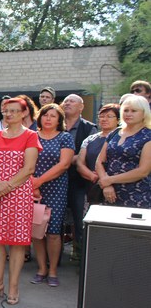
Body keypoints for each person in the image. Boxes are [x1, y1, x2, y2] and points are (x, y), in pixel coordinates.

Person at [0, 97, 41, 305]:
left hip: (18, 196)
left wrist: (4, 189)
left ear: (24, 113)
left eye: (14, 111)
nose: (9, 114)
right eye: (6, 111)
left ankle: (13, 287)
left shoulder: (31, 136)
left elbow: (29, 169)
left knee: (17, 244)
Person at [30, 104, 74, 287]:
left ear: (59, 120)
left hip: (56, 189)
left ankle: (53, 270)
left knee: (54, 232)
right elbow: (24, 162)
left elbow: (64, 164)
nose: (48, 118)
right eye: (45, 115)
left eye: (53, 116)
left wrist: (39, 181)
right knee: (37, 231)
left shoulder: (65, 137)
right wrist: (33, 184)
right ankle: (41, 268)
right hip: (33, 189)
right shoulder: (32, 136)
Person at [96, 95, 151, 208]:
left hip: (138, 195)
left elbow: (143, 171)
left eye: (134, 111)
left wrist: (109, 180)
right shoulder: (114, 133)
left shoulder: (148, 135)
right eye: (126, 110)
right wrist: (106, 185)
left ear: (144, 113)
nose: (128, 114)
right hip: (109, 193)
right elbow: (99, 161)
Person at [62, 94, 97, 259]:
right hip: (55, 180)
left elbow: (89, 154)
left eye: (72, 101)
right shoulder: (55, 123)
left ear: (81, 107)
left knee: (79, 218)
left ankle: (79, 255)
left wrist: (66, 160)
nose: (67, 103)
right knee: (55, 219)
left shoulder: (89, 128)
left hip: (78, 181)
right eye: (66, 101)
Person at [77, 104, 120, 204]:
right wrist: (93, 176)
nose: (104, 119)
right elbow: (80, 164)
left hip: (117, 186)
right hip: (93, 186)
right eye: (101, 116)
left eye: (109, 116)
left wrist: (106, 180)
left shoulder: (122, 139)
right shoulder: (90, 139)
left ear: (118, 120)